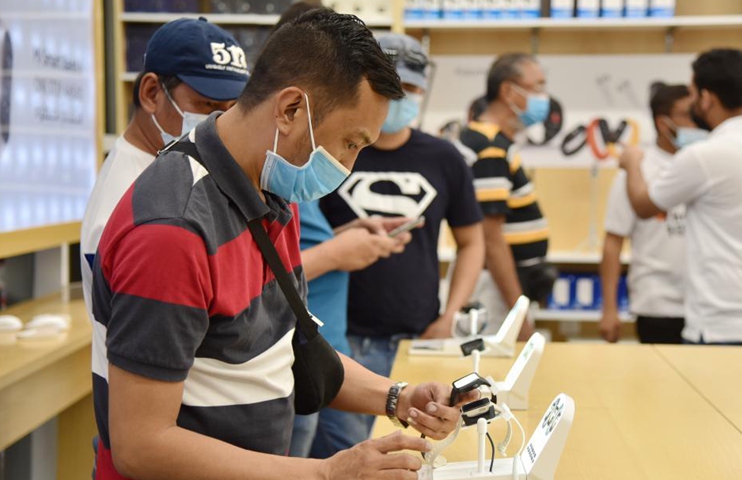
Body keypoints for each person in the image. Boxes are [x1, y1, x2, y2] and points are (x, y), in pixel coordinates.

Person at [91, 10, 474, 480]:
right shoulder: (173, 230)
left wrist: (398, 397)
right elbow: (141, 445)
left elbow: (287, 345)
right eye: (349, 143)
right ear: (291, 110)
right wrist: (324, 472)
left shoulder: (270, 193)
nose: (348, 166)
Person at [80, 19, 249, 477]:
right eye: (207, 105)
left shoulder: (171, 169)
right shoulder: (144, 200)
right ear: (152, 93)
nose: (220, 122)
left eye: (233, 107)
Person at [317, 33, 485, 454]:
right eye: (390, 86)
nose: (400, 97)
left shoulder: (444, 158)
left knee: (420, 451)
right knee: (346, 455)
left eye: (410, 88)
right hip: (344, 340)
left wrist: (450, 314)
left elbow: (472, 242)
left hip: (422, 336)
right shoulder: (332, 152)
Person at [276, 2, 415, 459]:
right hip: (288, 364)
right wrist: (338, 253)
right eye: (349, 142)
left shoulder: (292, 170)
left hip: (320, 356)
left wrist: (351, 231)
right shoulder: (272, 170)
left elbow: (296, 245)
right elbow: (260, 278)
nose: (346, 163)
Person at [620, 48, 742, 346]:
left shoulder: (704, 156)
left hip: (724, 328)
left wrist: (632, 164)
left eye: (692, 95)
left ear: (706, 98)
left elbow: (643, 205)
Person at [460, 53, 558, 337]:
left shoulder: (493, 141)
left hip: (503, 286)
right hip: (496, 289)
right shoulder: (490, 147)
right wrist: (520, 315)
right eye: (537, 87)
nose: (543, 96)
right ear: (507, 91)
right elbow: (491, 239)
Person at [599, 83, 694, 344]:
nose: (697, 121)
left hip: (705, 305)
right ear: (664, 123)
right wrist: (609, 309)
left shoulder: (704, 163)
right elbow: (613, 241)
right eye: (688, 114)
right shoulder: (637, 169)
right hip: (657, 305)